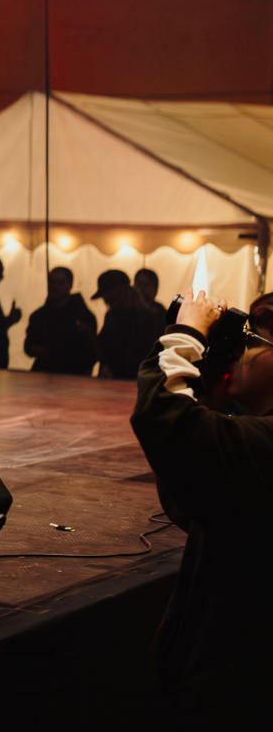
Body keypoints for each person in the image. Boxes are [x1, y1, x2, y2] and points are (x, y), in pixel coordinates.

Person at [130, 290, 273, 722]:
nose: (239, 351)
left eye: (252, 340)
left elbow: (165, 417)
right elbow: (198, 505)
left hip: (237, 686)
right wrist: (211, 397)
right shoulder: (255, 435)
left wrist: (187, 333)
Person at [23, 265, 100, 374]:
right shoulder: (38, 315)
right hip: (43, 374)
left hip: (73, 375)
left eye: (60, 283)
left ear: (70, 285)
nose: (55, 287)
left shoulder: (83, 316)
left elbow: (91, 352)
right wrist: (37, 349)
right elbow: (29, 345)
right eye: (52, 282)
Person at [96, 267, 166, 381]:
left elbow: (110, 350)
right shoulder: (148, 315)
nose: (141, 289)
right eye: (138, 284)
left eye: (147, 284)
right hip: (143, 378)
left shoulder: (116, 314)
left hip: (120, 379)